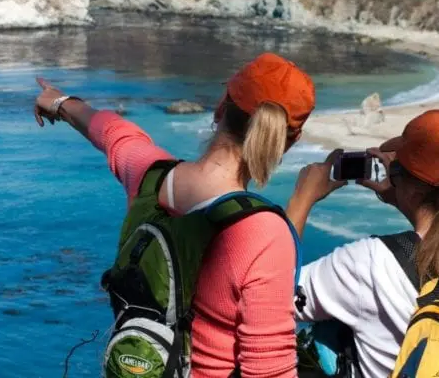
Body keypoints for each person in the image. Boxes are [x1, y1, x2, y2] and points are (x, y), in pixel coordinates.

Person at [33, 53, 316, 378]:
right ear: (287, 143)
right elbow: (269, 372)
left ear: (220, 107)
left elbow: (114, 133)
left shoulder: (150, 178)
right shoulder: (264, 232)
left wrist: (59, 102)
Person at [285, 110, 439, 378]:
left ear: (411, 185)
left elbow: (274, 297)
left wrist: (301, 200)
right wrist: (405, 197)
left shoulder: (369, 263)